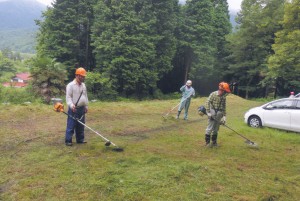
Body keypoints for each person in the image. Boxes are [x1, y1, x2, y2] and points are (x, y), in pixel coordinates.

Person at [65, 67, 89, 146]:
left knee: (81, 125)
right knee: (71, 124)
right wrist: (72, 106)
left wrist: (86, 106)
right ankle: (68, 141)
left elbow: (85, 96)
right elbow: (68, 98)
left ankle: (80, 140)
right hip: (74, 108)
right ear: (77, 76)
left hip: (82, 108)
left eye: (84, 76)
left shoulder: (83, 85)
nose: (83, 78)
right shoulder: (70, 85)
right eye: (82, 76)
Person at [204, 82, 231, 147]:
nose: (225, 93)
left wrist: (224, 116)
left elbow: (224, 106)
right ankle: (207, 143)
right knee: (210, 127)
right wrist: (209, 112)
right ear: (221, 90)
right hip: (212, 112)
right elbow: (207, 102)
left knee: (216, 128)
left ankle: (214, 143)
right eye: (224, 91)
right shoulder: (213, 94)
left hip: (219, 113)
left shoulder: (223, 97)